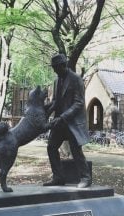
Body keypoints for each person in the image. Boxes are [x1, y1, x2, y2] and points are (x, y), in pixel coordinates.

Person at [43, 53, 92, 188]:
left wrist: (63, 117)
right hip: (59, 122)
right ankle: (58, 177)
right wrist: (44, 111)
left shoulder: (76, 79)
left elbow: (79, 103)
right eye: (53, 67)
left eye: (56, 67)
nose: (54, 70)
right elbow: (55, 101)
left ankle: (86, 178)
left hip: (72, 122)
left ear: (63, 66)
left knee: (76, 151)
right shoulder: (57, 80)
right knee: (51, 147)